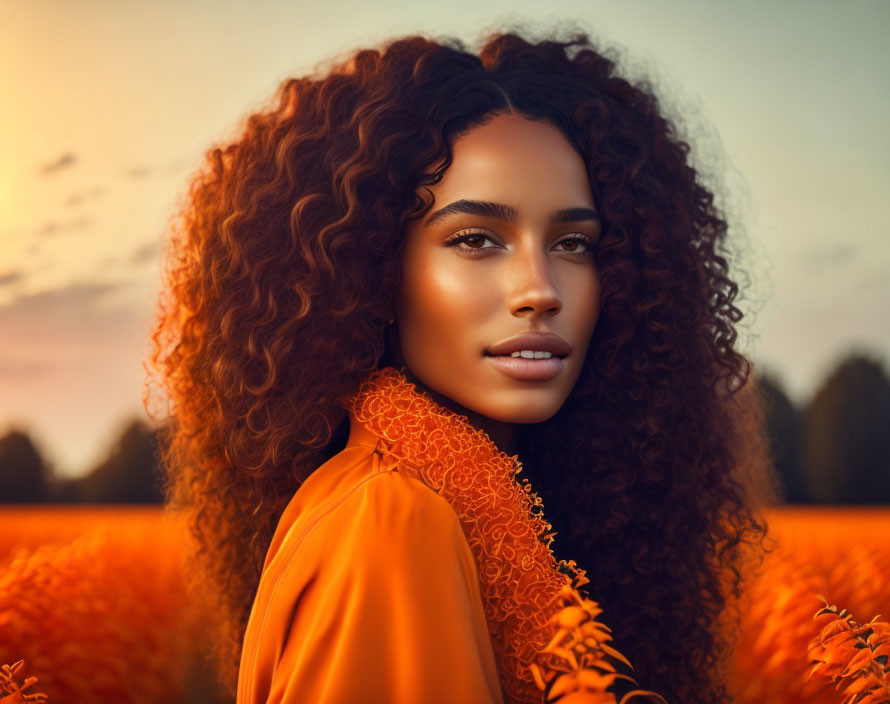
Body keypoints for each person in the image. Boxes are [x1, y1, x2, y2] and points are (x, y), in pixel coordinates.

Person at [146, 28, 775, 704]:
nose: (539, 289)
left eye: (572, 242)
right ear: (374, 273)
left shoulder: (456, 504)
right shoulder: (392, 522)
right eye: (475, 239)